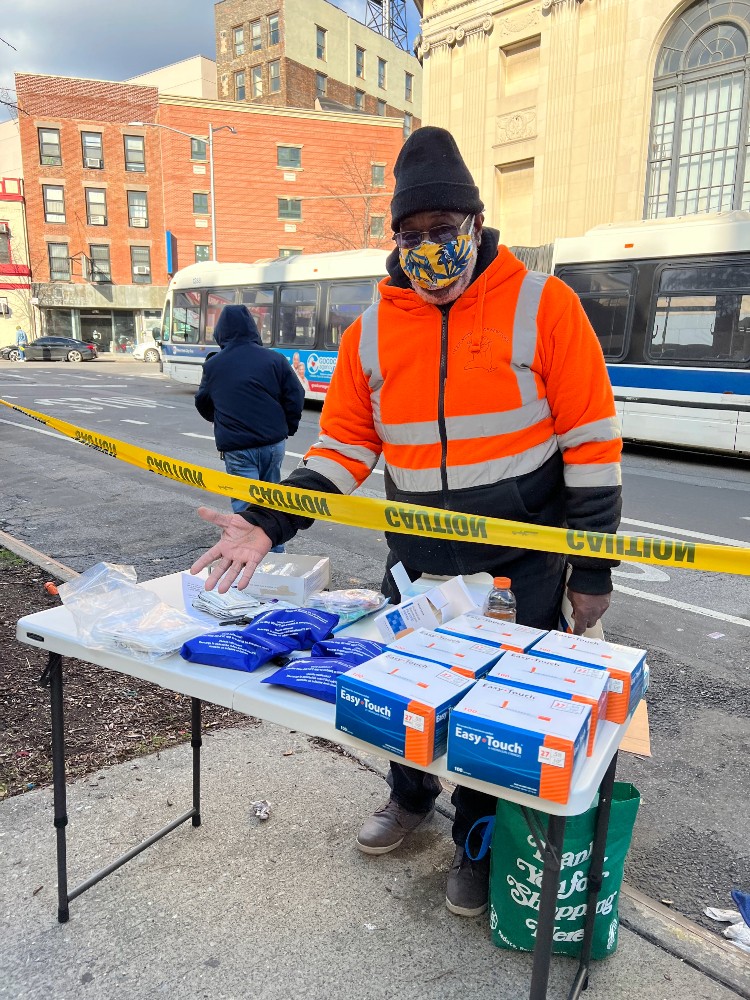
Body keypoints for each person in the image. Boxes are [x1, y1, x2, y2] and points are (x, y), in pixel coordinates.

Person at [190, 127, 622, 917]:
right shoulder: (373, 332)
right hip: (416, 563)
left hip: (517, 565)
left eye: (441, 232)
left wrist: (591, 575)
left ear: (475, 223)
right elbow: (341, 451)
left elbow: (592, 446)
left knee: (499, 712)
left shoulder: (543, 305)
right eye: (411, 235)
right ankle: (410, 797)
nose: (428, 249)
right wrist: (265, 522)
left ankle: (477, 838)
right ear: (394, 237)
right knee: (410, 695)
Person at [194, 304, 304, 554]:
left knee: (246, 508)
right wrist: (288, 427)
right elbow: (295, 395)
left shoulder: (214, 365)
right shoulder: (274, 359)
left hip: (238, 448)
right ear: (253, 329)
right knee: (271, 501)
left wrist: (220, 419)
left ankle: (250, 561)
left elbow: (203, 402)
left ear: (220, 332)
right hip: (273, 445)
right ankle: (277, 556)